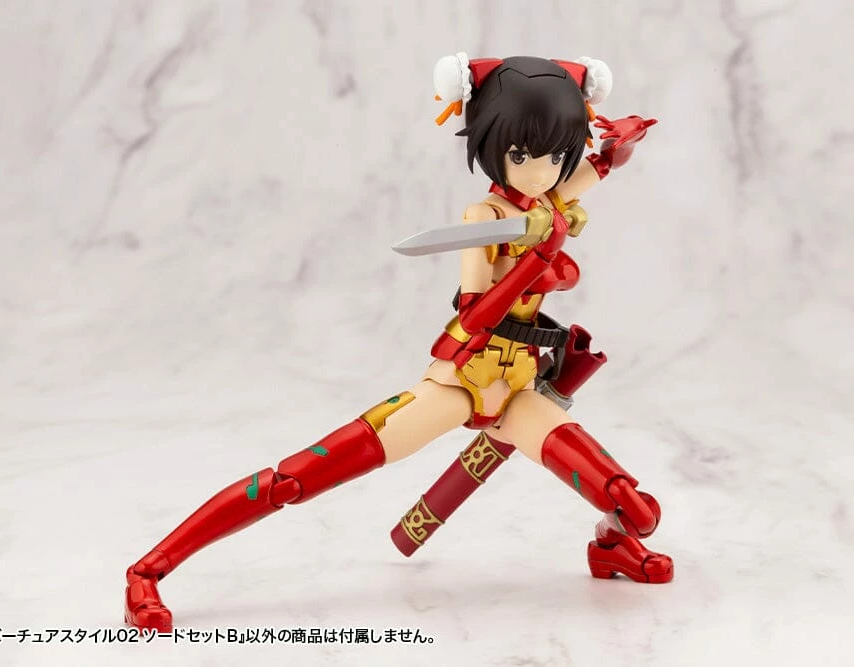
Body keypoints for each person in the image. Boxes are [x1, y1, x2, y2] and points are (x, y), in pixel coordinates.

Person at [125, 54, 672, 632]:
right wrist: (536, 263)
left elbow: (598, 167)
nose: (540, 174)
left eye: (555, 157)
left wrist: (619, 146)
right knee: (295, 479)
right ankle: (148, 571)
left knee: (633, 506)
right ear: (494, 146)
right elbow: (473, 314)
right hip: (462, 380)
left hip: (516, 389)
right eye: (521, 155)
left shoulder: (546, 203)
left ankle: (610, 546)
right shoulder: (485, 215)